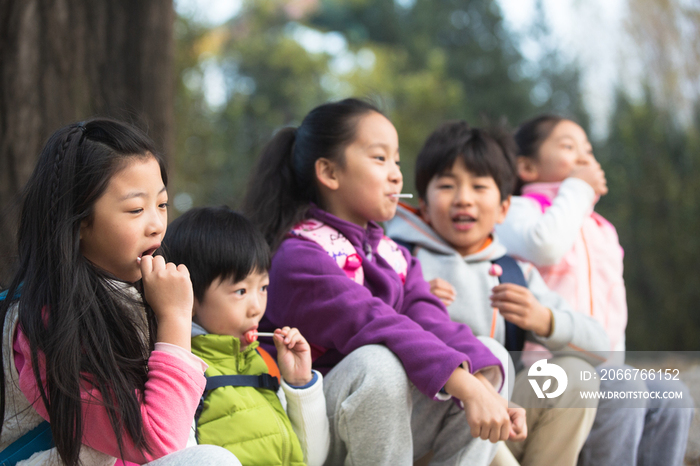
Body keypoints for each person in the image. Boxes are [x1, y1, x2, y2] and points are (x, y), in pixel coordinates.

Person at [243, 98, 526, 466]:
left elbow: (431, 319)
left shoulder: (395, 255)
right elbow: (374, 322)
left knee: (489, 357)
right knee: (378, 363)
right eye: (379, 159)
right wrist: (466, 386)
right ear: (329, 173)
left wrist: (487, 390)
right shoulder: (298, 256)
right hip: (306, 430)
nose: (396, 174)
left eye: (396, 160)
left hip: (377, 424)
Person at [0, 119, 237, 465]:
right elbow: (158, 441)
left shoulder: (142, 295)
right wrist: (174, 318)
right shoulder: (43, 322)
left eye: (162, 204)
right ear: (79, 222)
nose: (156, 224)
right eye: (136, 209)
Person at [386, 121, 609, 466]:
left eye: (479, 186)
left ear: (505, 207)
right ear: (425, 206)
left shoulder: (514, 273)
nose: (464, 199)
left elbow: (600, 348)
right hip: (425, 434)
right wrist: (407, 300)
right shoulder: (398, 260)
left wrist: (545, 320)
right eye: (447, 185)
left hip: (505, 426)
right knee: (487, 354)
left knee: (576, 374)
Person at [495, 115, 694, 466]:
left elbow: (614, 307)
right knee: (624, 389)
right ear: (526, 165)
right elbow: (546, 246)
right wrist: (578, 189)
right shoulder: (519, 212)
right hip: (542, 367)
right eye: (569, 148)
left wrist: (616, 361)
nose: (585, 159)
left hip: (602, 363)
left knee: (672, 396)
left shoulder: (601, 228)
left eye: (588, 150)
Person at [162, 206, 329, 466]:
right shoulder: (181, 373)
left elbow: (312, 459)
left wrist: (299, 384)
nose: (256, 308)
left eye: (262, 288)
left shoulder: (264, 365)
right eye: (240, 291)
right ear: (190, 297)